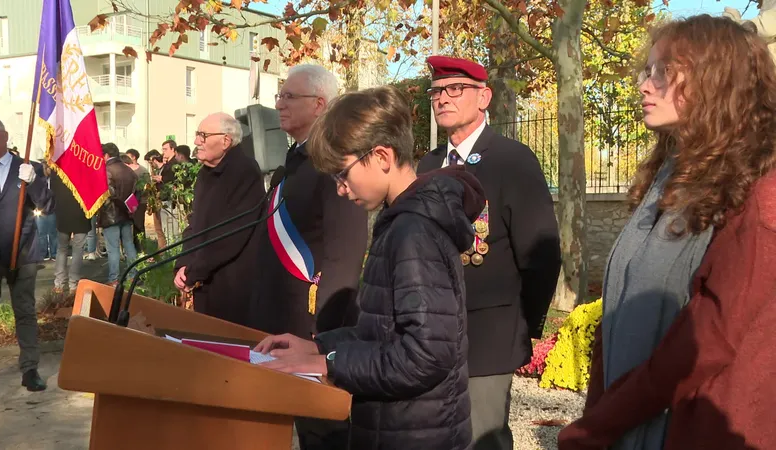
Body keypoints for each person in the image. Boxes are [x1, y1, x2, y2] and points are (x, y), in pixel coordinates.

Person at [558, 15, 776, 450]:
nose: (645, 84)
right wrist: (599, 415)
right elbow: (616, 309)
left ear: (717, 82)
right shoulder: (669, 175)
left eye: (664, 72)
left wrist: (598, 425)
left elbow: (708, 340)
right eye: (648, 69)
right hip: (627, 425)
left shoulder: (759, 193)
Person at [255, 86, 482, 450]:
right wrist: (318, 346)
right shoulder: (402, 221)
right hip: (400, 427)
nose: (341, 189)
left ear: (381, 156)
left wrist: (330, 364)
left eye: (343, 174)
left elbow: (425, 355)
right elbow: (384, 332)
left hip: (415, 434)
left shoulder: (414, 231)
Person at [416, 56, 561, 448]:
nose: (443, 98)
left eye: (455, 89)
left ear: (484, 97)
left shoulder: (512, 160)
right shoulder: (427, 165)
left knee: (482, 439)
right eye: (437, 91)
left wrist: (520, 322)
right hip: (430, 334)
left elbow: (541, 255)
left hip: (488, 333)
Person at [248, 64, 369, 450]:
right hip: (282, 321)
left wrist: (325, 335)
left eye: (289, 97)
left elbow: (344, 252)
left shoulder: (332, 161)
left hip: (312, 326)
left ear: (319, 105)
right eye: (278, 96)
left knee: (323, 432)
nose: (279, 104)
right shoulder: (294, 160)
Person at [0, 115, 53, 392]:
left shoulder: (28, 168)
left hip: (22, 253)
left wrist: (34, 182)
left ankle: (30, 369)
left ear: (6, 135)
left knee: (25, 312)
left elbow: (48, 205)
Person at [173, 113, 265, 325]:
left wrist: (194, 271)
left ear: (226, 140)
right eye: (197, 135)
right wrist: (183, 263)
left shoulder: (244, 171)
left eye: (203, 135)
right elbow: (194, 224)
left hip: (232, 285)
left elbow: (232, 234)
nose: (196, 142)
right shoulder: (206, 172)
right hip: (203, 278)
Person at [97, 143, 138, 287]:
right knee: (129, 245)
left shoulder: (106, 170)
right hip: (127, 212)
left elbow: (107, 192)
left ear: (106, 155)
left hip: (110, 214)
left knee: (113, 248)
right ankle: (133, 276)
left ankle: (114, 278)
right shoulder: (129, 170)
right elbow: (136, 191)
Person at [50, 169, 92, 294]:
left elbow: (52, 191)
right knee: (78, 250)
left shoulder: (57, 169)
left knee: (62, 249)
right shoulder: (85, 168)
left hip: (63, 212)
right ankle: (73, 284)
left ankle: (59, 283)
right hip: (81, 212)